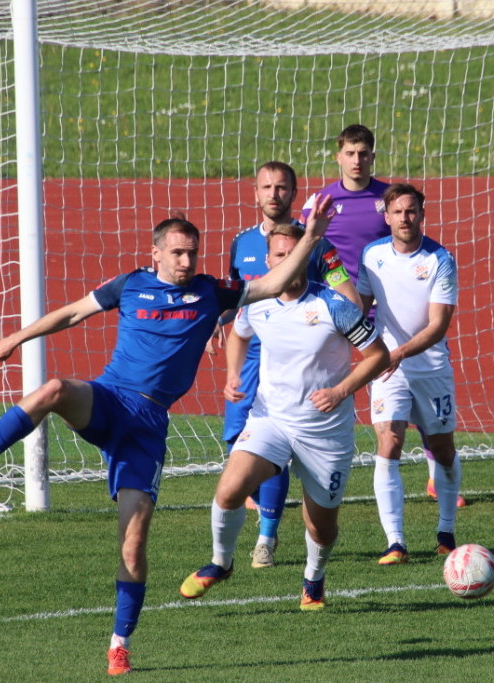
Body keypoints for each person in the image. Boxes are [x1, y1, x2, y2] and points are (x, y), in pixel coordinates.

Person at [0, 201, 334, 675]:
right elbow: (72, 314)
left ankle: (119, 645)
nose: (187, 261)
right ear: (156, 254)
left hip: (146, 426)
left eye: (193, 252)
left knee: (133, 542)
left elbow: (271, 283)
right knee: (54, 388)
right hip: (107, 400)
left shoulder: (212, 292)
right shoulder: (129, 285)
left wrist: (313, 235)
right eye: (178, 253)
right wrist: (12, 340)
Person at [179, 222, 389, 609]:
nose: (287, 261)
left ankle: (314, 579)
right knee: (229, 490)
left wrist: (341, 391)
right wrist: (233, 374)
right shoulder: (256, 301)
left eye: (294, 254)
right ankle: (220, 564)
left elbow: (379, 355)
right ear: (269, 261)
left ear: (306, 259)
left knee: (321, 527)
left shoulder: (334, 305)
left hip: (325, 433)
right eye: (279, 254)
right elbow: (239, 334)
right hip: (270, 420)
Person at [302, 124, 467, 507]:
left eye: (364, 153)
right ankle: (315, 467)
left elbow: (407, 247)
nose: (357, 160)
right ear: (338, 156)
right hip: (344, 311)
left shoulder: (389, 198)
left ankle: (436, 476)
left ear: (372, 156)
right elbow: (307, 247)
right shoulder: (321, 201)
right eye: (350, 153)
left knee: (420, 395)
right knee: (337, 391)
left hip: (388, 312)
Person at [219, 161, 360, 570]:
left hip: (302, 356)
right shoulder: (242, 242)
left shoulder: (314, 241)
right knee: (242, 444)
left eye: (282, 187)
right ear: (255, 193)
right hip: (255, 352)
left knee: (277, 444)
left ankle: (266, 536)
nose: (274, 194)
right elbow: (236, 296)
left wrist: (344, 323)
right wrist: (218, 323)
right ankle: (248, 539)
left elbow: (347, 297)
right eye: (266, 187)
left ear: (294, 193)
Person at [357, 183, 462, 564]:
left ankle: (446, 531)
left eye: (411, 211)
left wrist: (398, 353)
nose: (405, 218)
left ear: (422, 214)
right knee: (389, 442)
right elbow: (360, 307)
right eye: (398, 212)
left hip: (430, 368)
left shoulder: (440, 259)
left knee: (442, 450)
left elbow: (438, 325)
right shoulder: (372, 255)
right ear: (386, 217)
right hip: (389, 370)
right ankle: (395, 542)